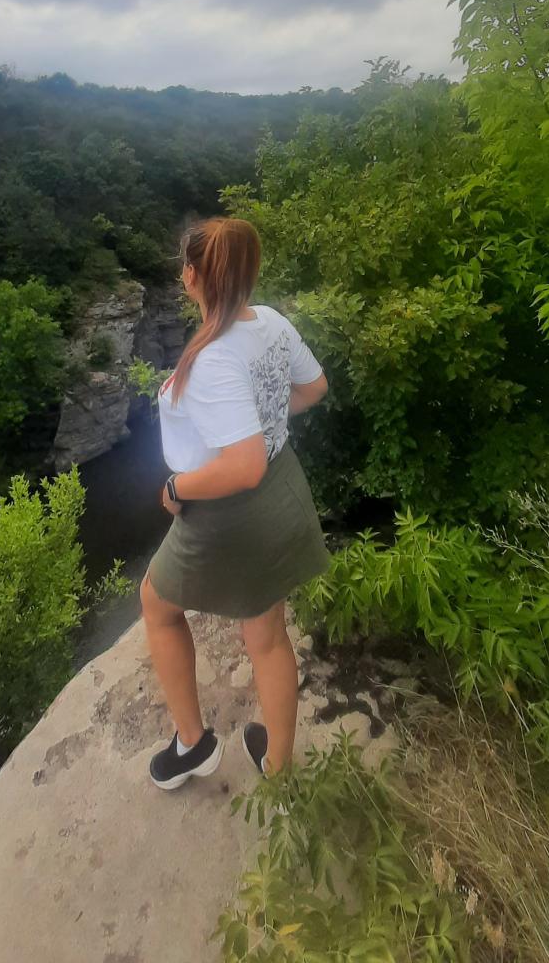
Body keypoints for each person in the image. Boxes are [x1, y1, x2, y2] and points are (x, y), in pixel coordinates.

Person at [140, 216, 331, 790]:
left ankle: (193, 744)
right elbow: (314, 388)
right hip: (283, 488)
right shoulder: (269, 322)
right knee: (267, 636)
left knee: (157, 605)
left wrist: (177, 489)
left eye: (185, 264)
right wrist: (265, 422)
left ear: (193, 277)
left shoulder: (212, 359)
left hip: (231, 510)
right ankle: (280, 774)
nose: (182, 273)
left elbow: (241, 466)